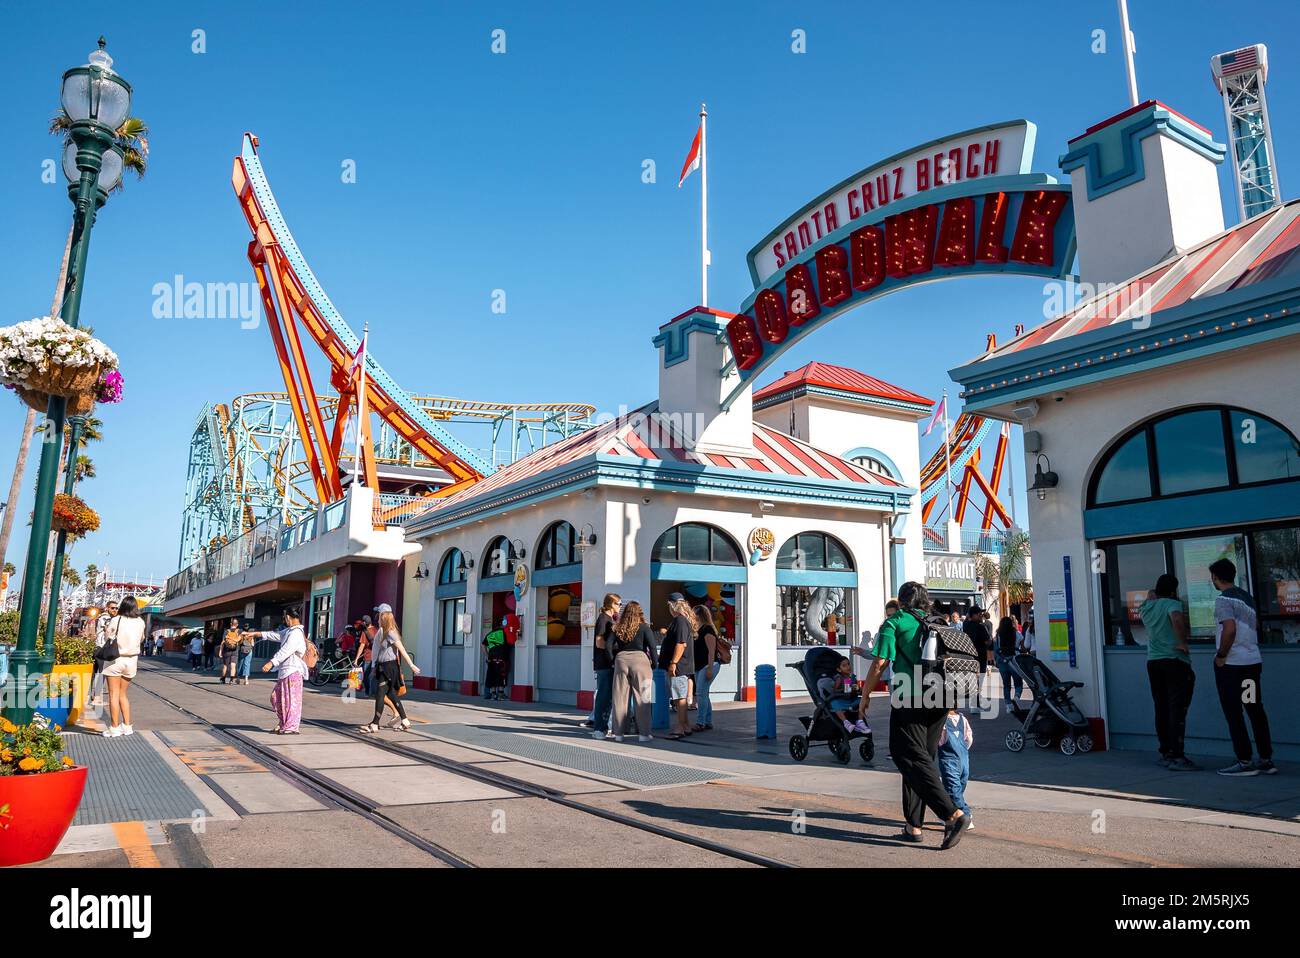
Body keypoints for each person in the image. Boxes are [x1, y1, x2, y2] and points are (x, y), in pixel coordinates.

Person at [859, 581, 967, 849]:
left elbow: (880, 662)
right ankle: (913, 825)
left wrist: (865, 696)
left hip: (911, 696)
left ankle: (952, 814)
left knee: (904, 753)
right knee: (921, 760)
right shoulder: (939, 621)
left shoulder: (895, 622)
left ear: (902, 600)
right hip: (941, 697)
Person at [1209, 559, 1275, 776]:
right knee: (1254, 708)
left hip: (1231, 665)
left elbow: (1229, 629)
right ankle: (1265, 759)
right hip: (1251, 662)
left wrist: (1221, 655)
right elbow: (1255, 626)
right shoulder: (1247, 598)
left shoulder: (1223, 600)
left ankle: (1244, 761)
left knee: (1233, 711)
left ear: (1216, 578)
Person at [1137, 574, 1197, 770]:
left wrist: (1152, 594)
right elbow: (1177, 620)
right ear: (1173, 590)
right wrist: (1182, 642)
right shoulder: (1172, 604)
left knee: (1161, 707)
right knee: (1177, 708)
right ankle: (1178, 755)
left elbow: (1149, 596)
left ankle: (1165, 752)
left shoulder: (1146, 607)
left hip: (1153, 661)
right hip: (1174, 660)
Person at [248, 606, 309, 734]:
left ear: (287, 617)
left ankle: (291, 727)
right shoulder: (289, 631)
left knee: (291, 700)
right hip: (285, 671)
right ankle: (284, 723)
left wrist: (271, 662)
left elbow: (285, 651)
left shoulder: (296, 633)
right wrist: (255, 633)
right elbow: (274, 635)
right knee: (276, 698)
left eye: (284, 617)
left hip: (293, 671)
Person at [359, 610, 420, 733]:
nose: (378, 620)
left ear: (384, 620)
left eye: (380, 618)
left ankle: (375, 724)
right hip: (383, 666)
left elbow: (401, 649)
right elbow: (375, 647)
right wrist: (374, 665)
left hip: (388, 668)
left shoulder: (390, 632)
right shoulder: (382, 632)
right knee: (391, 694)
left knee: (380, 694)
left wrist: (411, 665)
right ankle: (405, 720)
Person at [99, 596, 147, 738]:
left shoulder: (116, 620)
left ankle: (114, 727)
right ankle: (127, 726)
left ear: (122, 607)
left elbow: (108, 636)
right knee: (123, 694)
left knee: (113, 694)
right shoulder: (140, 622)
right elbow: (142, 638)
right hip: (132, 661)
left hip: (116, 659)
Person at [609, 600, 655, 742]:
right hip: (641, 661)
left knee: (620, 698)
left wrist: (613, 660)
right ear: (639, 612)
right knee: (644, 698)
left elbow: (608, 646)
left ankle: (619, 734)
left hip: (621, 660)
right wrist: (654, 663)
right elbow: (652, 647)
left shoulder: (617, 627)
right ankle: (644, 734)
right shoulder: (644, 628)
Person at [658, 593, 696, 741]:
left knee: (679, 696)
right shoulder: (681, 621)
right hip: (680, 664)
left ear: (672, 605)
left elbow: (681, 644)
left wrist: (673, 662)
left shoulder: (680, 621)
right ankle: (685, 724)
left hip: (679, 665)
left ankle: (680, 726)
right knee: (679, 695)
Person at [937, 708, 975, 830]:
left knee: (955, 788)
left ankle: (959, 814)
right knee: (956, 787)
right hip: (963, 758)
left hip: (950, 759)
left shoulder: (941, 722)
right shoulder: (962, 719)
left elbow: (939, 740)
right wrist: (963, 749)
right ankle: (958, 814)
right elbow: (969, 739)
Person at [589, 593, 620, 740]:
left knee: (607, 696)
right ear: (610, 604)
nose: (619, 607)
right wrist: (613, 648)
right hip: (604, 662)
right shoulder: (603, 619)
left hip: (608, 662)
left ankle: (603, 727)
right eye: (618, 604)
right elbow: (599, 642)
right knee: (603, 695)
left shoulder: (610, 619)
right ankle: (599, 728)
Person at [818, 654, 868, 734]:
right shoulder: (839, 678)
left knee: (863, 699)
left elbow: (855, 690)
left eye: (848, 664)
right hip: (841, 700)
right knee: (834, 703)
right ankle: (846, 722)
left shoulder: (851, 677)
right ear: (839, 669)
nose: (848, 667)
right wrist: (844, 690)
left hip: (849, 700)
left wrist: (857, 688)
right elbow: (834, 691)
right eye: (844, 666)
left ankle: (860, 720)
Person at [692, 604, 720, 732]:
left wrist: (709, 668)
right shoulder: (699, 629)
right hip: (700, 666)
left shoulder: (708, 629)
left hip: (708, 665)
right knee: (704, 694)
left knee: (700, 694)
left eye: (694, 614)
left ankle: (701, 722)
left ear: (699, 615)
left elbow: (711, 651)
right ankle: (707, 721)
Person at [963, 609, 992, 708]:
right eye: (979, 613)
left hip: (969, 656)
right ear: (973, 615)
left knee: (972, 680)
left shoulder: (965, 625)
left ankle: (974, 703)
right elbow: (987, 642)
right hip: (980, 656)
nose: (981, 615)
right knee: (979, 680)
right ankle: (975, 704)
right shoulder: (981, 626)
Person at [994, 616, 1024, 708]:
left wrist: (997, 661)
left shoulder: (998, 635)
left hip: (1003, 661)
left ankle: (1008, 705)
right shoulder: (1017, 633)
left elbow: (996, 649)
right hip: (1015, 661)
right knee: (1018, 682)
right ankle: (1017, 696)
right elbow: (1023, 647)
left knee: (1006, 685)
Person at [219, 618, 241, 685]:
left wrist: (220, 651)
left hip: (226, 650)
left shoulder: (226, 631)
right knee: (233, 665)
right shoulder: (239, 631)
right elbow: (240, 640)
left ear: (231, 624)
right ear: (237, 624)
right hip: (235, 650)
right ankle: (231, 680)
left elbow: (223, 642)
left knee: (225, 665)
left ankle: (223, 679)